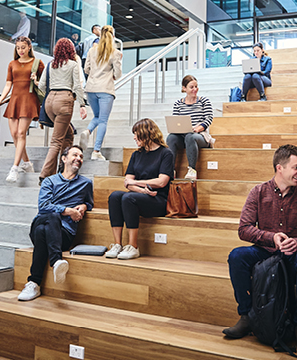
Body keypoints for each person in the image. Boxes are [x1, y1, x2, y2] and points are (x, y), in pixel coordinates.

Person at [223, 144, 297, 354]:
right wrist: (271, 237)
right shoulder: (258, 192)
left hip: (293, 255)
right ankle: (247, 316)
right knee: (237, 257)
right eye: (296, 167)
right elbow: (244, 229)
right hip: (265, 253)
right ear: (280, 168)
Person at [17, 145, 94, 301]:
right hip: (43, 221)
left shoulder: (86, 183)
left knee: (42, 232)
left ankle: (33, 283)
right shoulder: (49, 181)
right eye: (75, 155)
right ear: (63, 159)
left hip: (64, 235)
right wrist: (69, 210)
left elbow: (90, 203)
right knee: (52, 215)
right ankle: (56, 261)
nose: (78, 158)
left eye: (81, 156)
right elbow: (43, 206)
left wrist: (85, 206)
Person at [105, 119, 174, 260]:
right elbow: (127, 182)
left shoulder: (166, 153)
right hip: (140, 195)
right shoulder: (136, 155)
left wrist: (136, 183)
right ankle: (118, 244)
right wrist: (143, 190)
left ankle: (133, 246)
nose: (134, 138)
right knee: (115, 196)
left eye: (137, 134)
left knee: (128, 197)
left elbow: (161, 182)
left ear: (146, 134)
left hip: (158, 199)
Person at [0, 37, 44, 183]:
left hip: (29, 100)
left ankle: (14, 168)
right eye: (18, 48)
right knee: (14, 134)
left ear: (29, 48)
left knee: (21, 133)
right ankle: (27, 163)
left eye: (23, 47)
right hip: (15, 100)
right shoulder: (12, 64)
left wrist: (36, 80)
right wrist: (0, 100)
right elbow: (8, 84)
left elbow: (45, 85)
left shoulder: (37, 64)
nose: (20, 50)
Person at [34, 38, 87, 184]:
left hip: (50, 101)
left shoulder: (51, 64)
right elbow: (77, 86)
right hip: (64, 100)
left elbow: (42, 85)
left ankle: (63, 167)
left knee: (68, 134)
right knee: (56, 141)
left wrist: (51, 95)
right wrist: (82, 104)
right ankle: (44, 175)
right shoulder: (73, 65)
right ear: (71, 50)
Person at [79, 25, 123, 161]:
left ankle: (87, 131)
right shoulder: (115, 53)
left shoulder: (92, 51)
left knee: (97, 116)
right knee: (103, 120)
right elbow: (118, 74)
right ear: (112, 36)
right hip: (105, 89)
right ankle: (96, 151)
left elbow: (86, 69)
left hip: (91, 89)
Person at [166, 75, 214, 180]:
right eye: (191, 87)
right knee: (171, 138)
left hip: (200, 136)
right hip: (183, 135)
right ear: (184, 88)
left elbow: (209, 118)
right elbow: (176, 121)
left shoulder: (204, 101)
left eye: (196, 86)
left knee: (190, 137)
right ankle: (170, 170)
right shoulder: (178, 103)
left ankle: (192, 170)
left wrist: (198, 128)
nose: (195, 89)